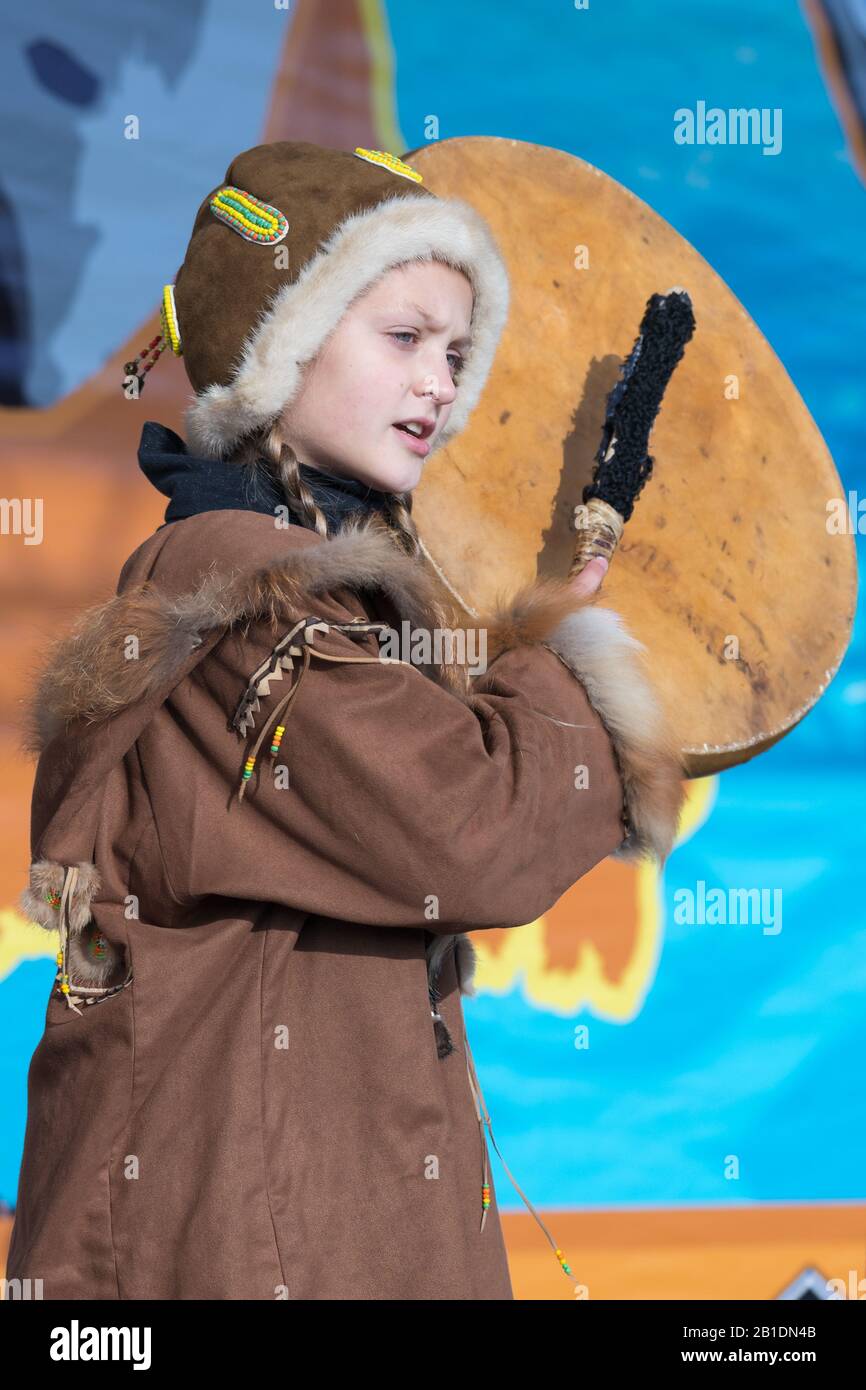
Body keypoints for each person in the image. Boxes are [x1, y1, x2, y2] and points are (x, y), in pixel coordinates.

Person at [8, 141, 684, 1300]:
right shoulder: (241, 602)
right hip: (243, 1249)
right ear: (281, 342)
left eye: (458, 354)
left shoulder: (299, 598)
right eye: (404, 337)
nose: (439, 382)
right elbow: (469, 826)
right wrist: (565, 661)